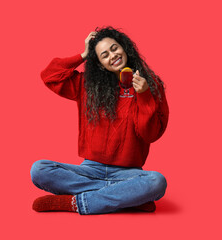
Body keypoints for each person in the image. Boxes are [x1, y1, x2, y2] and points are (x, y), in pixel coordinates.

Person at [30, 26, 169, 215]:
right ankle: (126, 199)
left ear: (124, 48)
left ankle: (76, 203)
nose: (112, 56)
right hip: (90, 169)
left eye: (114, 48)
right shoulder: (88, 85)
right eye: (104, 55)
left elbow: (150, 134)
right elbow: (50, 76)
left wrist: (144, 96)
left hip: (128, 173)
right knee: (39, 169)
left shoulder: (149, 84)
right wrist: (83, 54)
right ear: (101, 64)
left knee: (157, 182)